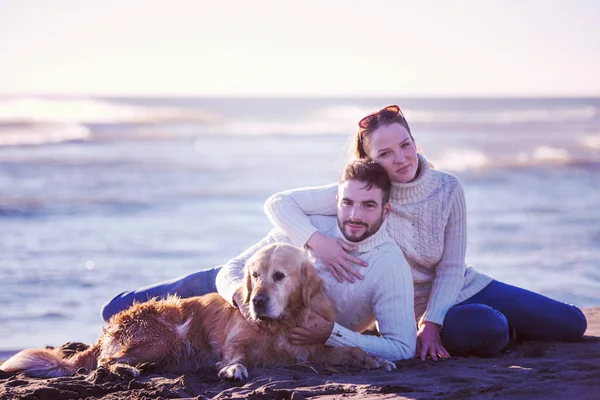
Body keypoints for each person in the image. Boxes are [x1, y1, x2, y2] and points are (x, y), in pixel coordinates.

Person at [263, 105, 588, 360]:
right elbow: (279, 204)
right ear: (371, 160)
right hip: (409, 308)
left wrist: (432, 324)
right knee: (490, 329)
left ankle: (507, 323)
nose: (401, 158)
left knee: (573, 324)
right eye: (385, 154)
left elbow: (450, 268)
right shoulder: (368, 195)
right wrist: (320, 243)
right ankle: (508, 329)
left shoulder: (447, 187)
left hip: (463, 286)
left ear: (415, 142)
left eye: (405, 145)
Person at [102, 160, 417, 361]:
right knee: (117, 312)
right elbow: (232, 269)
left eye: (368, 206)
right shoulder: (312, 225)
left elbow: (403, 348)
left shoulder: (389, 265)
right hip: (232, 288)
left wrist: (331, 333)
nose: (354, 215)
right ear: (336, 201)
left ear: (385, 211)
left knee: (139, 339)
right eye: (347, 203)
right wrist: (243, 296)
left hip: (259, 314)